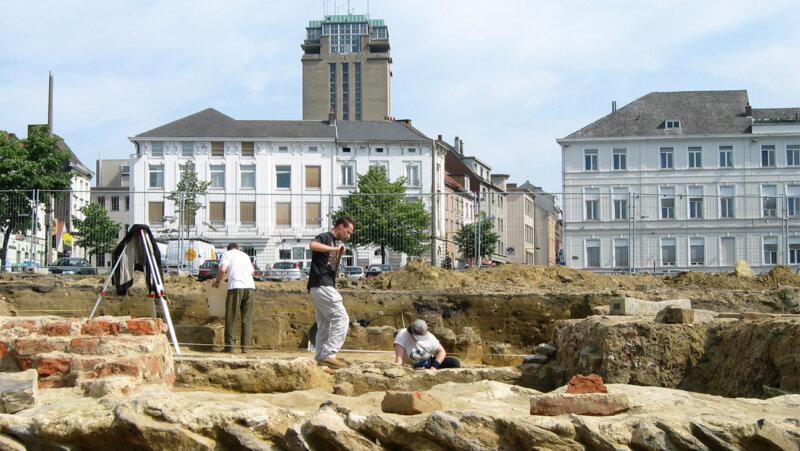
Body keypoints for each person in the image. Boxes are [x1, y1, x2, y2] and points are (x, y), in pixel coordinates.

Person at [307, 216, 354, 369]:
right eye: (347, 232)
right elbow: (312, 245)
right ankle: (328, 355)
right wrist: (334, 249)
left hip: (322, 286)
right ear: (340, 226)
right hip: (321, 285)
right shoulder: (326, 237)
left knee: (324, 324)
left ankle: (322, 360)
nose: (348, 236)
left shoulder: (334, 242)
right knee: (342, 318)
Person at [212, 243, 256, 353]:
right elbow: (252, 271)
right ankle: (245, 348)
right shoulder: (245, 255)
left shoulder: (227, 254)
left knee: (231, 317)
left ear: (229, 249)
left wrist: (217, 282)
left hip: (236, 287)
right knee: (247, 319)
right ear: (237, 248)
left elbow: (222, 269)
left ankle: (229, 347)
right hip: (250, 288)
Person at [394, 319, 461, 369]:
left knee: (455, 363)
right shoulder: (403, 334)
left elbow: (442, 351)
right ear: (411, 332)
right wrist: (398, 369)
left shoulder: (430, 337)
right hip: (410, 366)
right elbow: (399, 357)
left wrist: (434, 366)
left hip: (427, 362)